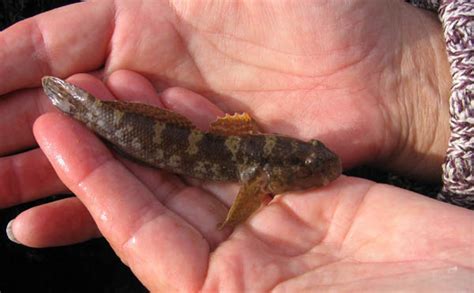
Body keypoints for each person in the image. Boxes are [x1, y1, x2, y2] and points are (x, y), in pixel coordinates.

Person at [1, 1, 472, 291]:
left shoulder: (259, 151)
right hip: (127, 129)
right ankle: (79, 108)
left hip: (138, 127)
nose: (318, 161)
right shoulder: (257, 164)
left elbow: (239, 136)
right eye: (308, 160)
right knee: (91, 127)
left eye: (307, 160)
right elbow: (241, 159)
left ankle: (81, 108)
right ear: (271, 170)